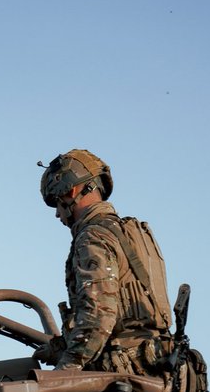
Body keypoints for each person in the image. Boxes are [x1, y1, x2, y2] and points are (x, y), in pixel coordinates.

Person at [38, 149, 174, 378]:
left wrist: (64, 370)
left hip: (124, 377)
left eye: (57, 204)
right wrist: (58, 348)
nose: (57, 215)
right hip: (157, 369)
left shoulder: (93, 237)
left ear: (70, 192)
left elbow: (99, 317)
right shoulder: (133, 233)